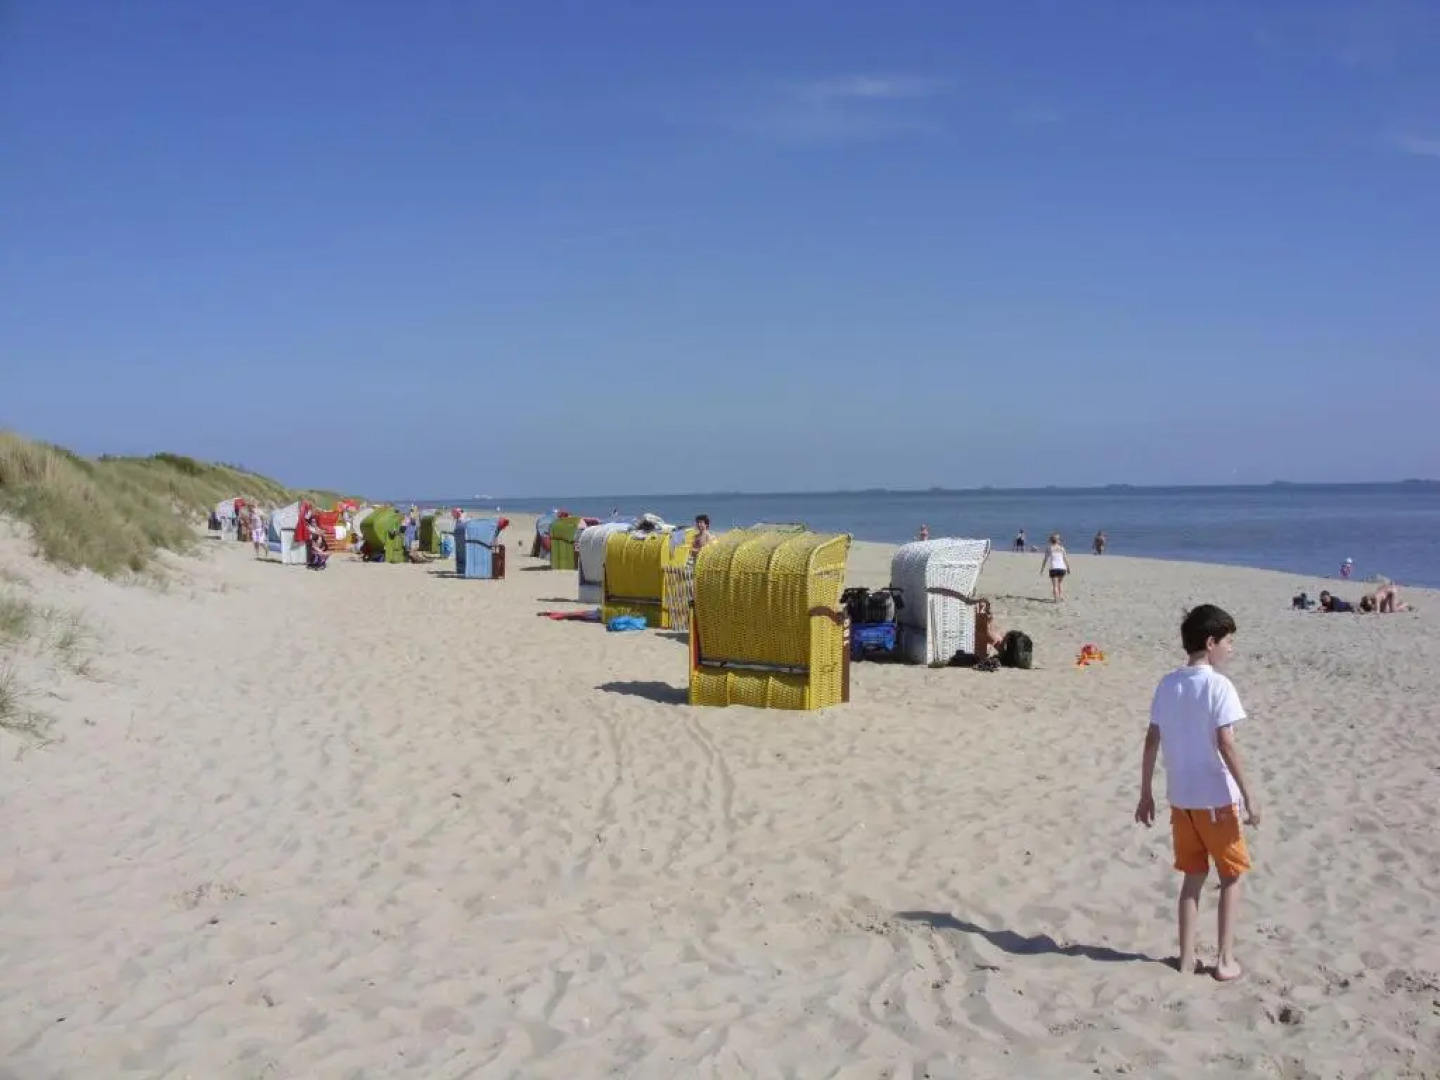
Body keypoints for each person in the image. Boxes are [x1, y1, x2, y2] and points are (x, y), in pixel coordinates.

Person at [1135, 604, 1261, 982]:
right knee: (1232, 875)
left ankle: (1187, 957)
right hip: (1217, 800)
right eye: (1228, 642)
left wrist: (1146, 793)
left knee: (1192, 876)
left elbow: (1151, 739)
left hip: (1181, 800)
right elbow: (1225, 741)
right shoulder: (1218, 685)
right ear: (1211, 643)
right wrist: (1249, 792)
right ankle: (1224, 959)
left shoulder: (1168, 683)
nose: (1231, 649)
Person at [1040, 533, 1070, 602]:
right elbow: (1065, 559)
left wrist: (1042, 569)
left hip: (1053, 568)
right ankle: (1060, 596)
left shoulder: (1049, 548)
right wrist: (1068, 568)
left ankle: (1056, 599)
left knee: (1055, 585)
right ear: (1058, 541)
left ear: (1051, 541)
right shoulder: (1062, 548)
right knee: (1060, 584)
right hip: (1062, 568)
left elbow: (1045, 559)